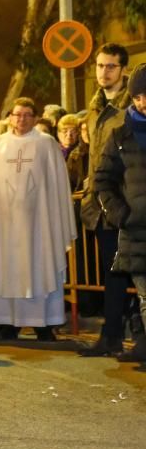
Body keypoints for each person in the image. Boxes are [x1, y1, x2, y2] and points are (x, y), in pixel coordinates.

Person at [0, 97, 76, 340]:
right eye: (17, 114)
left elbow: (57, 186)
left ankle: (43, 323)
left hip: (40, 223)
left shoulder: (46, 144)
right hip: (4, 223)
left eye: (26, 115)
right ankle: (7, 321)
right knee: (6, 266)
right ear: (9, 117)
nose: (21, 119)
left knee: (40, 265)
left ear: (34, 118)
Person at [78, 43, 137, 357]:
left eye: (111, 66)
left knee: (135, 273)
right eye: (100, 66)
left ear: (123, 69)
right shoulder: (93, 108)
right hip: (100, 206)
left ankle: (131, 337)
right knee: (113, 274)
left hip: (128, 203)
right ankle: (112, 335)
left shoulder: (134, 106)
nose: (104, 72)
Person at [93, 64, 146, 363]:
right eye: (138, 96)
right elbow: (103, 180)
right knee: (145, 297)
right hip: (136, 230)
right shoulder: (121, 135)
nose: (143, 102)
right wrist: (121, 215)